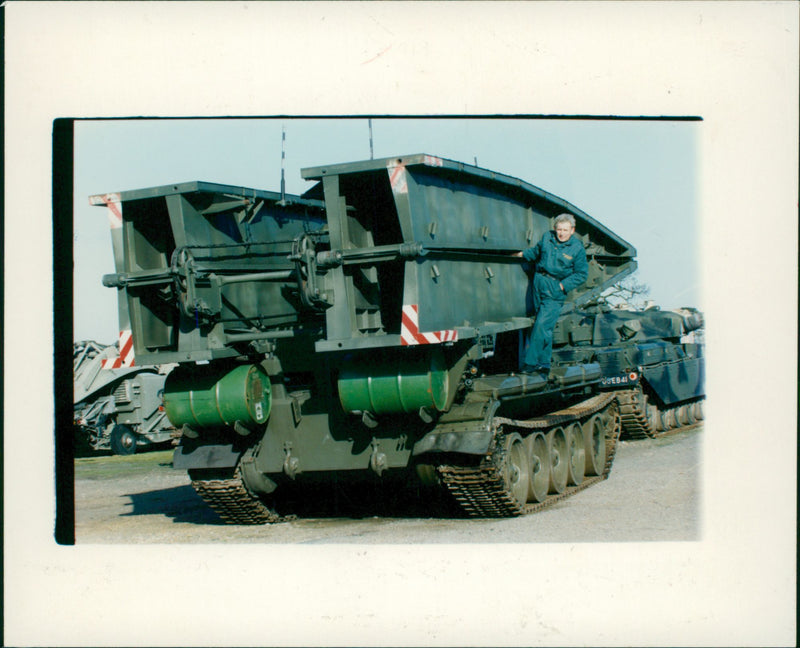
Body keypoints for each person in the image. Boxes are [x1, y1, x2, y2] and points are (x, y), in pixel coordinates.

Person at [514, 213, 588, 376]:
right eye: (559, 229)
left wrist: (563, 286)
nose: (561, 233)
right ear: (555, 229)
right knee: (545, 328)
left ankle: (530, 363)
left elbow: (582, 274)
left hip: (555, 289)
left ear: (572, 230)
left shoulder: (577, 248)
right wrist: (518, 255)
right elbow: (535, 252)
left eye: (565, 230)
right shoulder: (547, 237)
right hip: (538, 283)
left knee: (541, 325)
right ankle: (545, 363)